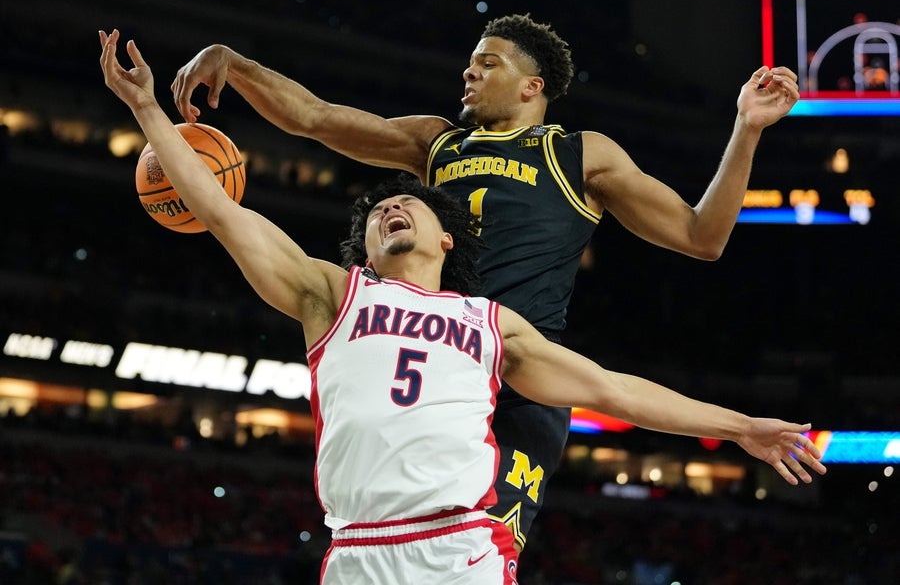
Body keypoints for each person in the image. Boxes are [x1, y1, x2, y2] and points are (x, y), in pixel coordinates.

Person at [103, 29, 825, 584]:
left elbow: (702, 237)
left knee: (482, 548)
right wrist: (236, 64)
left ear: (533, 86)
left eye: (487, 63)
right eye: (469, 62)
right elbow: (317, 118)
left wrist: (746, 129)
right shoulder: (434, 144)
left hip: (519, 374)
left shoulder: (580, 154)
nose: (468, 72)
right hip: (431, 359)